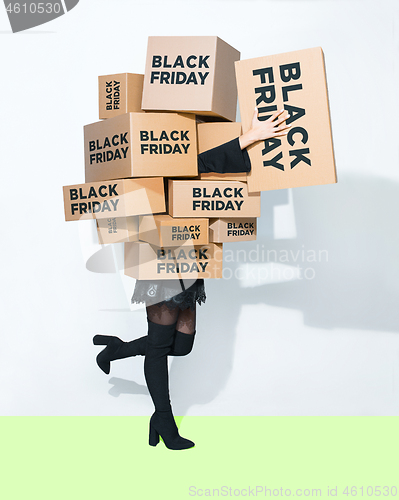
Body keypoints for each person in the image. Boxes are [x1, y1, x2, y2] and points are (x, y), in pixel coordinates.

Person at [93, 108, 291, 450]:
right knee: (158, 349)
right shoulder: (146, 162)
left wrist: (251, 136)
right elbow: (185, 167)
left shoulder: (181, 154)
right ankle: (165, 422)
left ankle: (116, 349)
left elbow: (199, 165)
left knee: (181, 346)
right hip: (157, 257)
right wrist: (248, 137)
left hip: (190, 256)